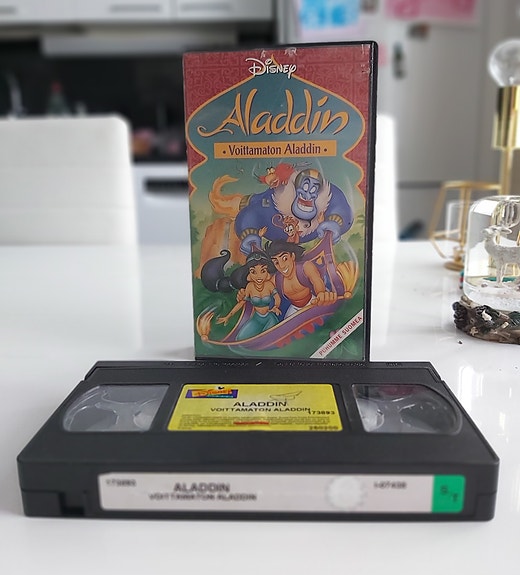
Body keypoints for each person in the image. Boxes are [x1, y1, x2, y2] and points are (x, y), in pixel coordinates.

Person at [215, 250, 281, 340]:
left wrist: (276, 307)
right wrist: (228, 316)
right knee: (240, 338)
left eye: (263, 271)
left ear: (267, 272)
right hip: (256, 318)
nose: (259, 276)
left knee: (266, 338)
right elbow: (241, 303)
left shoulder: (269, 285)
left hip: (269, 318)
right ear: (248, 273)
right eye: (253, 272)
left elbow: (277, 298)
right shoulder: (249, 287)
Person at [265, 240, 337, 317]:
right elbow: (264, 291)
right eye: (276, 262)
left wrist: (321, 293)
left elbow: (316, 281)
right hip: (294, 309)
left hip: (313, 302)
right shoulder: (276, 279)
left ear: (292, 256)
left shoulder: (306, 267)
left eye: (285, 258)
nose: (282, 266)